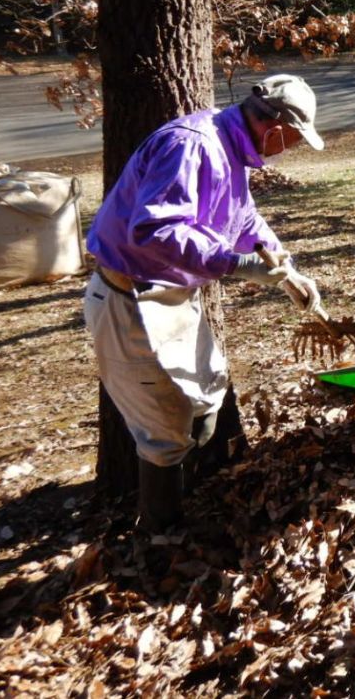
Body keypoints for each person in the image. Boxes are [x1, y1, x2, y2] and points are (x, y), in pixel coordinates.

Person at [85, 75, 324, 532]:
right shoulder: (190, 145)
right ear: (274, 127)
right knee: (162, 430)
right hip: (130, 298)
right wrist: (236, 266)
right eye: (292, 140)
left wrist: (285, 267)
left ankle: (202, 501)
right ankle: (162, 535)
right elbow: (154, 230)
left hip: (175, 296)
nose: (288, 150)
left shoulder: (231, 151)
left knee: (206, 394)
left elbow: (243, 216)